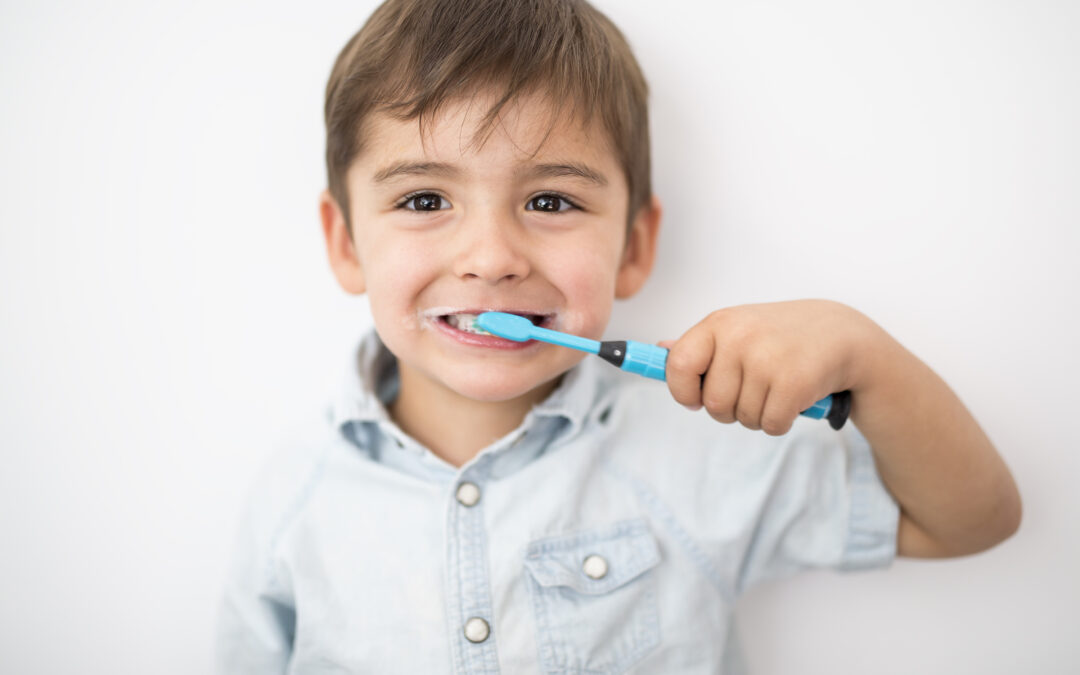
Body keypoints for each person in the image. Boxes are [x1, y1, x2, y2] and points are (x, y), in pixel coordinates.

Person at [214, 0, 1022, 672]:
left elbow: (969, 520)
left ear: (633, 246)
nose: (491, 259)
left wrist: (866, 356)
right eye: (425, 200)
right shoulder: (293, 505)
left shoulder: (700, 452)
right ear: (346, 243)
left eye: (552, 201)